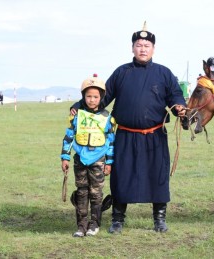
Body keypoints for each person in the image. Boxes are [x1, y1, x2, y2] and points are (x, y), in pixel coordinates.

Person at [70, 22, 186, 234]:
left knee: (158, 176)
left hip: (155, 136)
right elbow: (102, 98)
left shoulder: (164, 73)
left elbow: (175, 96)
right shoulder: (121, 72)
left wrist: (180, 107)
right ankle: (117, 219)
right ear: (132, 48)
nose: (143, 48)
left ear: (153, 49)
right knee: (121, 175)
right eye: (139, 44)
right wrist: (79, 107)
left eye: (147, 45)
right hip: (124, 136)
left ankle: (159, 218)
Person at [61, 74, 116, 237]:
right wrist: (65, 157)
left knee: (96, 192)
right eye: (88, 96)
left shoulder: (108, 118)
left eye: (95, 97)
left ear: (102, 97)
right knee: (82, 191)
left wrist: (109, 162)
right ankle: (81, 224)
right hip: (80, 160)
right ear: (83, 97)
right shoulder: (76, 115)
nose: (92, 100)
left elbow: (111, 141)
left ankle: (94, 224)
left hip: (98, 160)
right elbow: (69, 136)